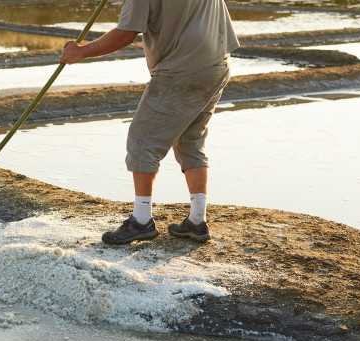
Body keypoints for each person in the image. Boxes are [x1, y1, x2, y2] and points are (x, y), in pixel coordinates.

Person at [60, 0, 239, 243]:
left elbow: (124, 35)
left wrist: (80, 52)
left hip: (181, 69)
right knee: (191, 140)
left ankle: (141, 221)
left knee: (142, 141)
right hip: (218, 63)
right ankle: (197, 221)